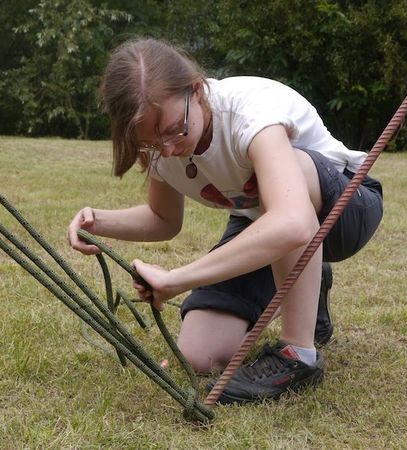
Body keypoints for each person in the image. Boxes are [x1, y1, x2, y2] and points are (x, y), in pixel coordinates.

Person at [68, 38, 383, 404]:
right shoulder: (159, 140)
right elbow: (162, 219)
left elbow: (295, 222)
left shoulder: (250, 113)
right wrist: (97, 221)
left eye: (173, 130)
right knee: (198, 355)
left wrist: (177, 279)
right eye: (153, 143)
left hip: (347, 207)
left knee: (291, 179)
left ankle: (299, 355)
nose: (167, 150)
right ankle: (309, 285)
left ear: (196, 90)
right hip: (268, 223)